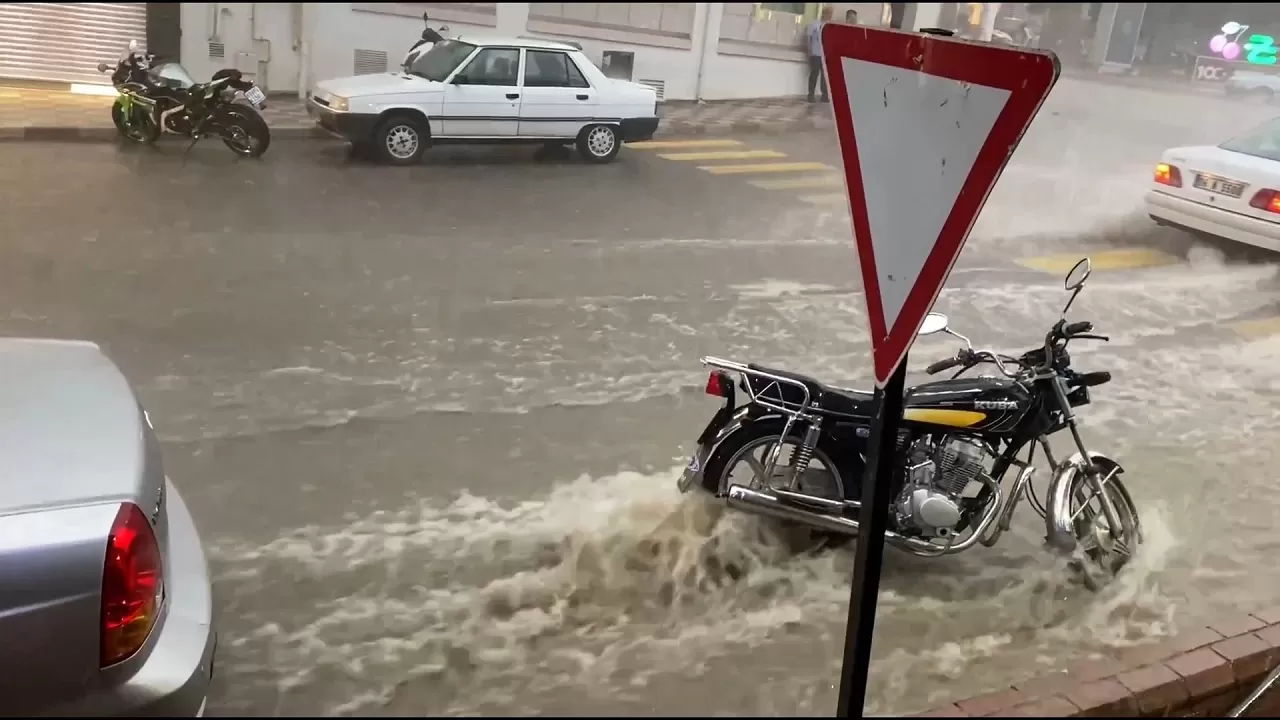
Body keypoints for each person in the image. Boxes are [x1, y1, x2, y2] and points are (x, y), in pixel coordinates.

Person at [805, 5, 833, 103]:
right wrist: (809, 51)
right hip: (815, 53)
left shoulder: (828, 26)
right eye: (829, 14)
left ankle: (824, 95)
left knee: (825, 76)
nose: (830, 16)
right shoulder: (814, 24)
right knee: (814, 73)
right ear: (824, 13)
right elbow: (808, 38)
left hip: (824, 54)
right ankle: (811, 94)